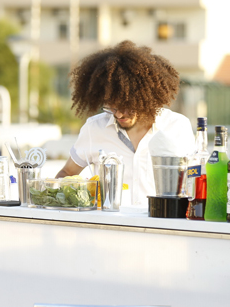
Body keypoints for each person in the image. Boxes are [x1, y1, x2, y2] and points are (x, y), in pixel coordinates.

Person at [56, 40, 195, 206]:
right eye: (112, 108)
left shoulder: (177, 126)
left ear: (145, 98)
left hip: (161, 227)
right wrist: (74, 192)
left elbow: (195, 181)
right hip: (107, 227)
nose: (120, 114)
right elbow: (66, 173)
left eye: (127, 107)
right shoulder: (94, 129)